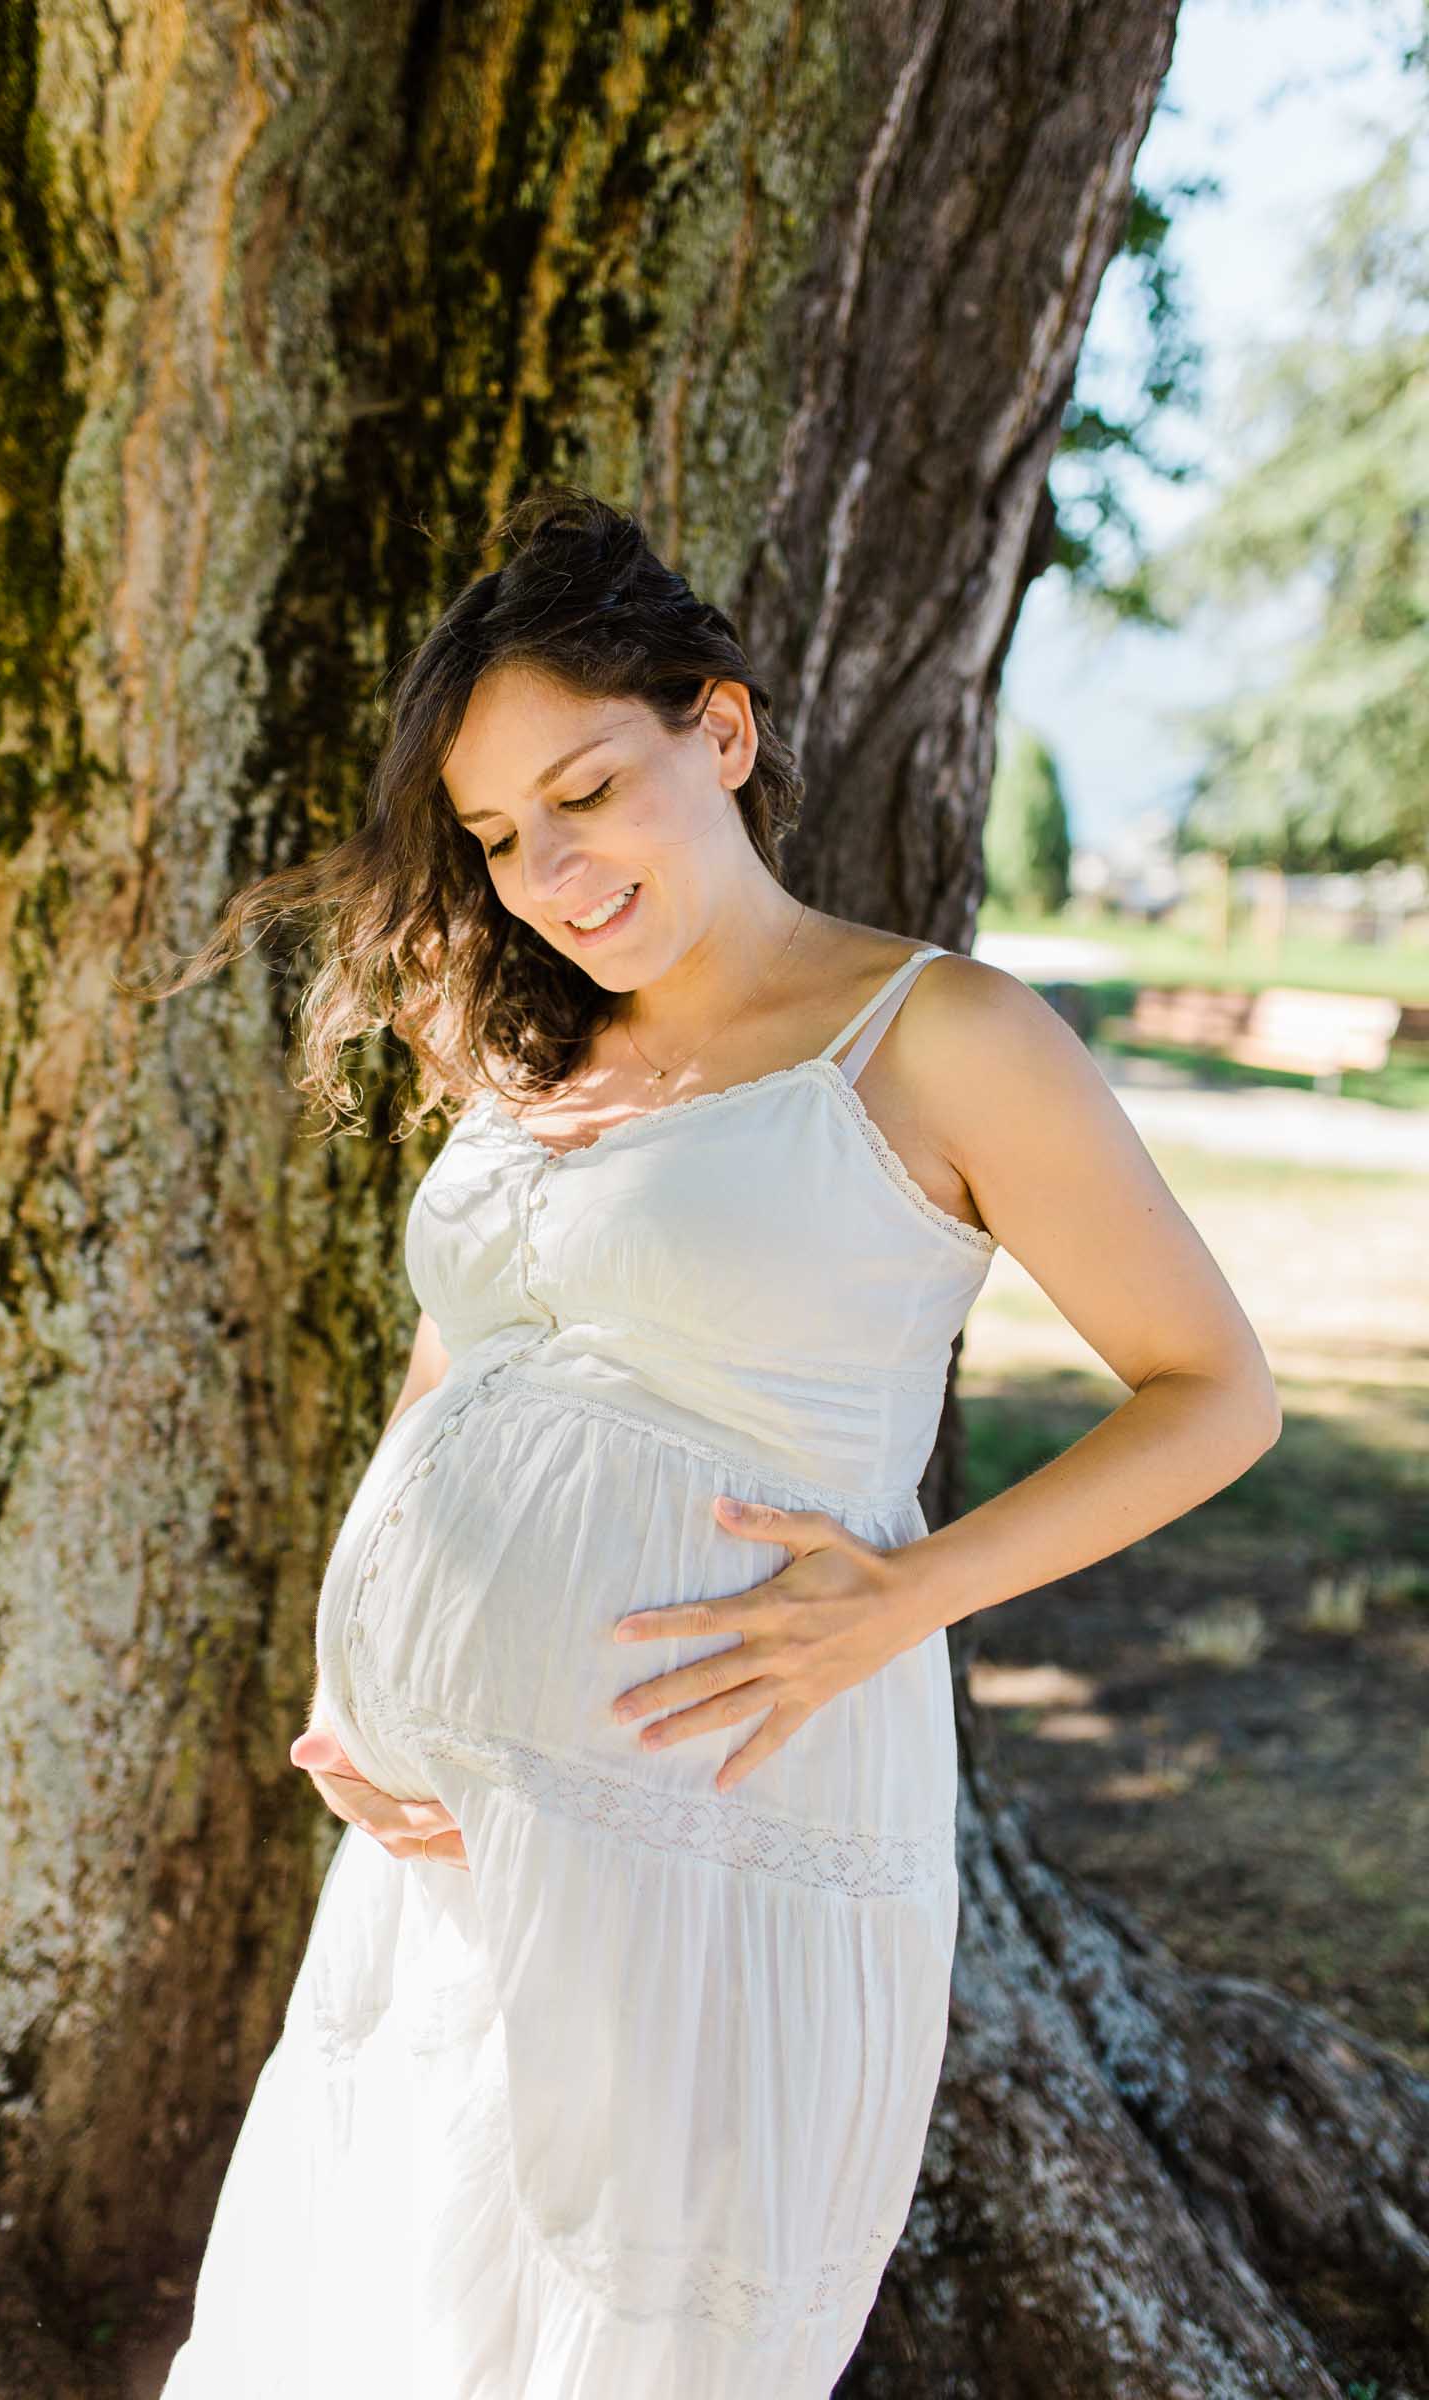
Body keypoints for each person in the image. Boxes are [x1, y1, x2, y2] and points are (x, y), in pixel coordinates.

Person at [154, 486, 1281, 2397]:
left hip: (719, 1821)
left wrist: (905, 1599)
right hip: (447, 1830)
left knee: (624, 2336)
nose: (550, 872)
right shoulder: (533, 1052)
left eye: (588, 791)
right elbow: (471, 1357)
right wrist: (364, 1666)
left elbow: (1215, 1392)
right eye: (501, 836)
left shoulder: (941, 1039)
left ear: (724, 731)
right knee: (388, 2314)